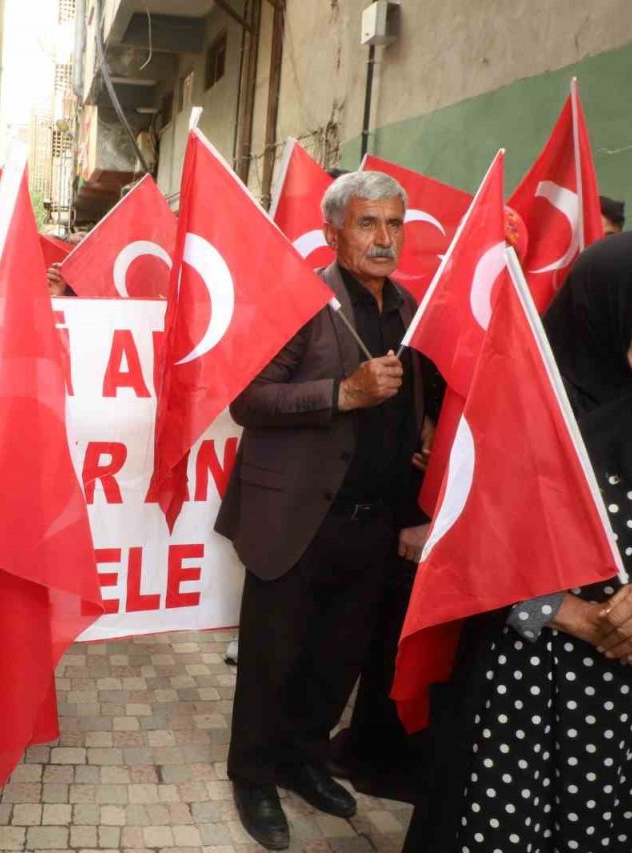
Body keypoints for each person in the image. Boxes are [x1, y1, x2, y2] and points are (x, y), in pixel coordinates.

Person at [403, 231, 632, 852]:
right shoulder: (531, 424)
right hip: (532, 693)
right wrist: (579, 616)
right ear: (605, 308)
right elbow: (465, 561)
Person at [215, 170, 431, 850]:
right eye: (369, 223)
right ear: (335, 230)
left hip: (374, 521)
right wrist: (342, 393)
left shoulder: (411, 306)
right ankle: (252, 773)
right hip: (297, 519)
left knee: (337, 658)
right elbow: (247, 400)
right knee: (272, 657)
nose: (384, 237)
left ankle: (303, 757)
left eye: (395, 224)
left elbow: (418, 408)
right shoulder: (301, 300)